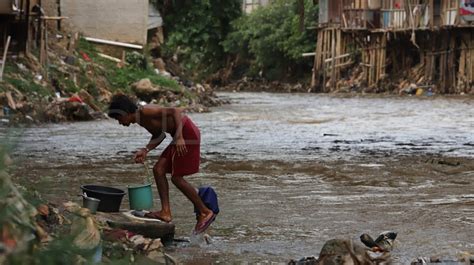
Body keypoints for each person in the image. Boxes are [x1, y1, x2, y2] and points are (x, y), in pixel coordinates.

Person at [108, 94, 216, 234]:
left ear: (127, 112)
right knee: (158, 170)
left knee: (177, 178)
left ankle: (205, 212)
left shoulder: (146, 111)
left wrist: (179, 137)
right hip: (179, 135)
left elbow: (175, 111)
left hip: (187, 134)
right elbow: (159, 135)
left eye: (119, 118)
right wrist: (146, 150)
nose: (120, 122)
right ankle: (165, 212)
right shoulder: (141, 120)